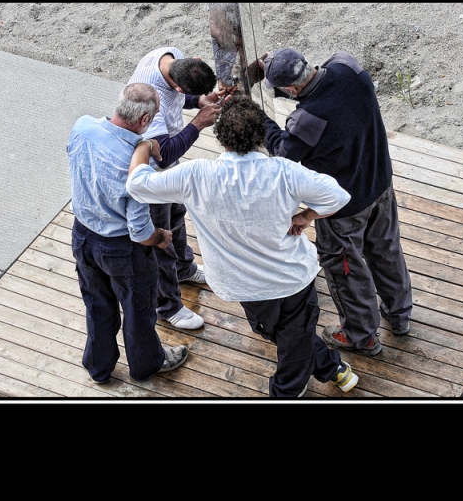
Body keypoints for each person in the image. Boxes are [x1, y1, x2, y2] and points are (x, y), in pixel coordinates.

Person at [126, 97, 359, 398]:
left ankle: (311, 379)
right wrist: (306, 215)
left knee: (284, 333)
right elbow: (337, 196)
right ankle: (308, 380)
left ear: (220, 137)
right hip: (291, 277)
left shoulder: (195, 175)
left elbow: (137, 185)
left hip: (242, 283)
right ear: (260, 136)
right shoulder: (284, 171)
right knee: (292, 334)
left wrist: (143, 146)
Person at [259, 48, 414, 357]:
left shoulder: (307, 119)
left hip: (342, 207)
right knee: (386, 249)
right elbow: (326, 76)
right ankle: (399, 315)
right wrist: (274, 65)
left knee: (345, 269)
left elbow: (282, 153)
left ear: (290, 90)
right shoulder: (349, 69)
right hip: (380, 184)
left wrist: (261, 121)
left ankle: (361, 336)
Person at [67, 82, 188, 383]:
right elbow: (139, 231)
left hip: (83, 235)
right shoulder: (136, 165)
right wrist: (161, 237)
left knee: (96, 303)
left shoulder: (82, 127)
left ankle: (98, 366)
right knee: (138, 310)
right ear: (145, 121)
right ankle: (147, 364)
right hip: (122, 249)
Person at [127, 47, 235, 330]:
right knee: (161, 239)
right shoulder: (150, 99)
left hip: (167, 173)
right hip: (151, 176)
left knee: (177, 214)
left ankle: (184, 268)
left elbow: (182, 96)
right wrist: (199, 123)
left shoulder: (169, 55)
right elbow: (166, 153)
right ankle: (168, 306)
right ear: (174, 85)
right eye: (180, 91)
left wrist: (199, 100)